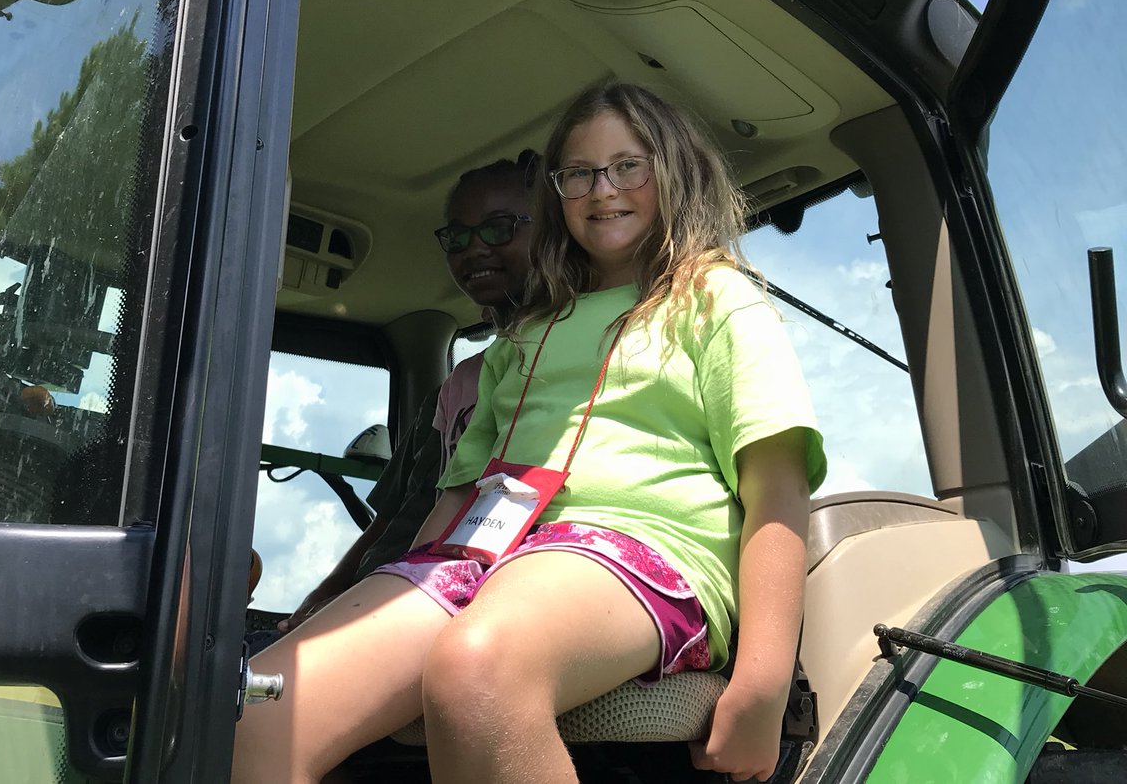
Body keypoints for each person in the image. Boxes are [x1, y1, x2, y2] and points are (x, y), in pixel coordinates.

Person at [231, 83, 825, 784]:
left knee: (474, 666)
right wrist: (403, 593)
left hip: (645, 554)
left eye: (627, 166)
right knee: (261, 703)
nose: (602, 190)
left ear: (675, 171)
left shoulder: (715, 297)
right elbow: (457, 501)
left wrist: (763, 684)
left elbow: (777, 494)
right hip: (495, 557)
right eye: (579, 173)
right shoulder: (525, 338)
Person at [272, 151, 538, 636]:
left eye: (499, 227)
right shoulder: (454, 391)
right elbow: (397, 515)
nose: (474, 248)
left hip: (457, 594)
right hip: (394, 586)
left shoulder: (561, 371)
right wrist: (329, 593)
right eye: (458, 237)